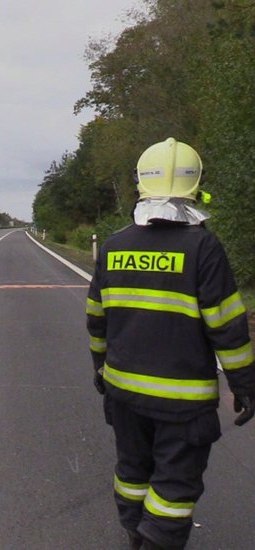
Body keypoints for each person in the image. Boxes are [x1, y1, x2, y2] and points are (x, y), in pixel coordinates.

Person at [86, 138, 254, 550]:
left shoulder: (113, 246)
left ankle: (134, 532)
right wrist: (245, 384)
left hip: (123, 392)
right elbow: (228, 326)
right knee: (175, 484)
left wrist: (100, 369)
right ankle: (157, 541)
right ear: (195, 185)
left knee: (132, 471)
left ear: (141, 182)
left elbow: (96, 319)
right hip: (183, 402)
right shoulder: (203, 247)